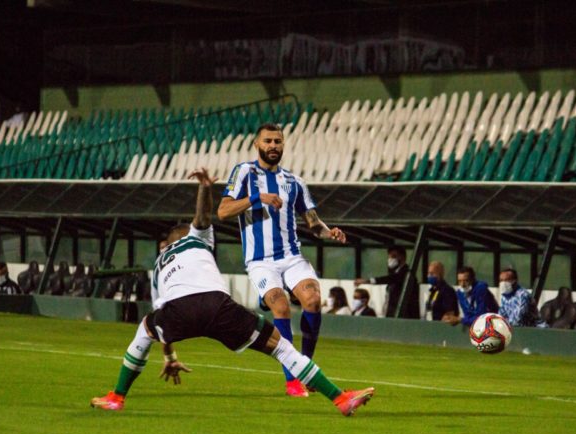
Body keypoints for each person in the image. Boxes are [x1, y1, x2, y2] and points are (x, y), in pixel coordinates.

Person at [91, 168, 374, 416]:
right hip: (218, 305)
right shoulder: (195, 238)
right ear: (186, 233)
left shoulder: (159, 266)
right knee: (281, 348)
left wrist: (170, 357)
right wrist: (205, 188)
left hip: (179, 310)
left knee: (144, 330)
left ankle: (117, 397)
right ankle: (340, 398)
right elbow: (202, 217)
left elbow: (161, 317)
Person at [217, 123, 347, 397]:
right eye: (267, 141)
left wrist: (329, 232)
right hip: (260, 260)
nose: (273, 145)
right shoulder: (244, 172)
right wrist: (257, 198)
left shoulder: (294, 182)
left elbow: (312, 222)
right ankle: (292, 381)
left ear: (283, 145)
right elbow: (223, 211)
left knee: (313, 300)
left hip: (291, 256)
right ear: (257, 144)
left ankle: (306, 367)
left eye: (277, 141)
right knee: (281, 306)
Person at [354, 246, 420, 319]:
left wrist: (367, 281)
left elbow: (390, 279)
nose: (390, 260)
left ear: (402, 257)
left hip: (405, 317)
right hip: (393, 316)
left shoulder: (406, 273)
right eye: (389, 257)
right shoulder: (394, 273)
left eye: (394, 256)